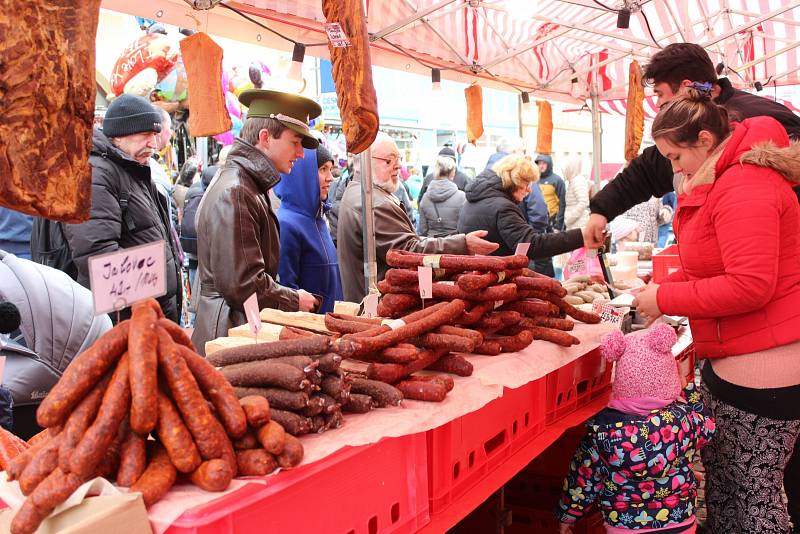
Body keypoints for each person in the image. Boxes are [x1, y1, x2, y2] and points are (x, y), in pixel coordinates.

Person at [633, 87, 800, 533]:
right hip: (739, 361)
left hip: (763, 369)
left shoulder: (745, 185)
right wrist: (663, 289)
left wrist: (665, 299)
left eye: (674, 156)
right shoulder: (728, 179)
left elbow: (749, 286)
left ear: (705, 140)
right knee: (729, 486)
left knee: (752, 494)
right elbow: (713, 264)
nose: (674, 168)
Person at [585, 42, 800, 249]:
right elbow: (648, 171)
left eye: (660, 93)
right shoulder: (691, 126)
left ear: (685, 87)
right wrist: (601, 210)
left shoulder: (753, 120)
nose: (658, 104)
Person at [192, 89, 321, 354]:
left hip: (233, 326)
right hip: (229, 330)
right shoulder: (238, 190)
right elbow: (244, 285)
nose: (299, 154)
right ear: (265, 138)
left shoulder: (245, 184)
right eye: (295, 142)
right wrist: (293, 299)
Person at [557, 324, 715, 533]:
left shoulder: (602, 433)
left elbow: (583, 478)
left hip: (623, 525)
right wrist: (689, 391)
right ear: (669, 378)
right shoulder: (685, 421)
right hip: (679, 520)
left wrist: (568, 515)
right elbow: (709, 427)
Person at [337, 133, 499, 303]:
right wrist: (462, 244)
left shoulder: (362, 192)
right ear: (366, 163)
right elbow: (408, 251)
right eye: (389, 160)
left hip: (372, 298)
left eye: (398, 159)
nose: (398, 166)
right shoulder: (374, 202)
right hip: (379, 303)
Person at [63, 93, 182, 323]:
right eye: (146, 135)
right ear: (119, 136)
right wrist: (154, 287)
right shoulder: (95, 175)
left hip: (148, 314)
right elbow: (96, 255)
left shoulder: (134, 170)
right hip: (125, 320)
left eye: (155, 135)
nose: (153, 144)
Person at [457, 155, 588, 262]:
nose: (529, 189)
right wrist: (581, 235)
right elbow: (533, 245)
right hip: (494, 281)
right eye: (526, 184)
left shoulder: (474, 199)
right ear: (515, 181)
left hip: (477, 274)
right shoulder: (503, 208)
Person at [274, 145, 343, 314]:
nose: (330, 178)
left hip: (328, 329)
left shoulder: (319, 219)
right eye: (322, 169)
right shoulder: (286, 224)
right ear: (303, 175)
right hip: (308, 331)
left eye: (331, 169)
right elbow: (286, 291)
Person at [418, 156, 466, 238]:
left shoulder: (425, 197)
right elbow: (464, 226)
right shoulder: (461, 197)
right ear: (452, 173)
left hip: (431, 245)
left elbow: (423, 229)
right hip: (455, 244)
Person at [534, 154, 566, 232]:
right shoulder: (535, 179)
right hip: (538, 221)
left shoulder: (557, 180)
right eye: (539, 163)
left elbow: (562, 203)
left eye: (544, 163)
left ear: (549, 164)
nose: (541, 166)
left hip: (552, 221)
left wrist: (558, 225)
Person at [562, 156, 590, 231]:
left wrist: (570, 218)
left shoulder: (578, 181)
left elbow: (583, 202)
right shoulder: (573, 181)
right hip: (575, 225)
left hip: (578, 225)